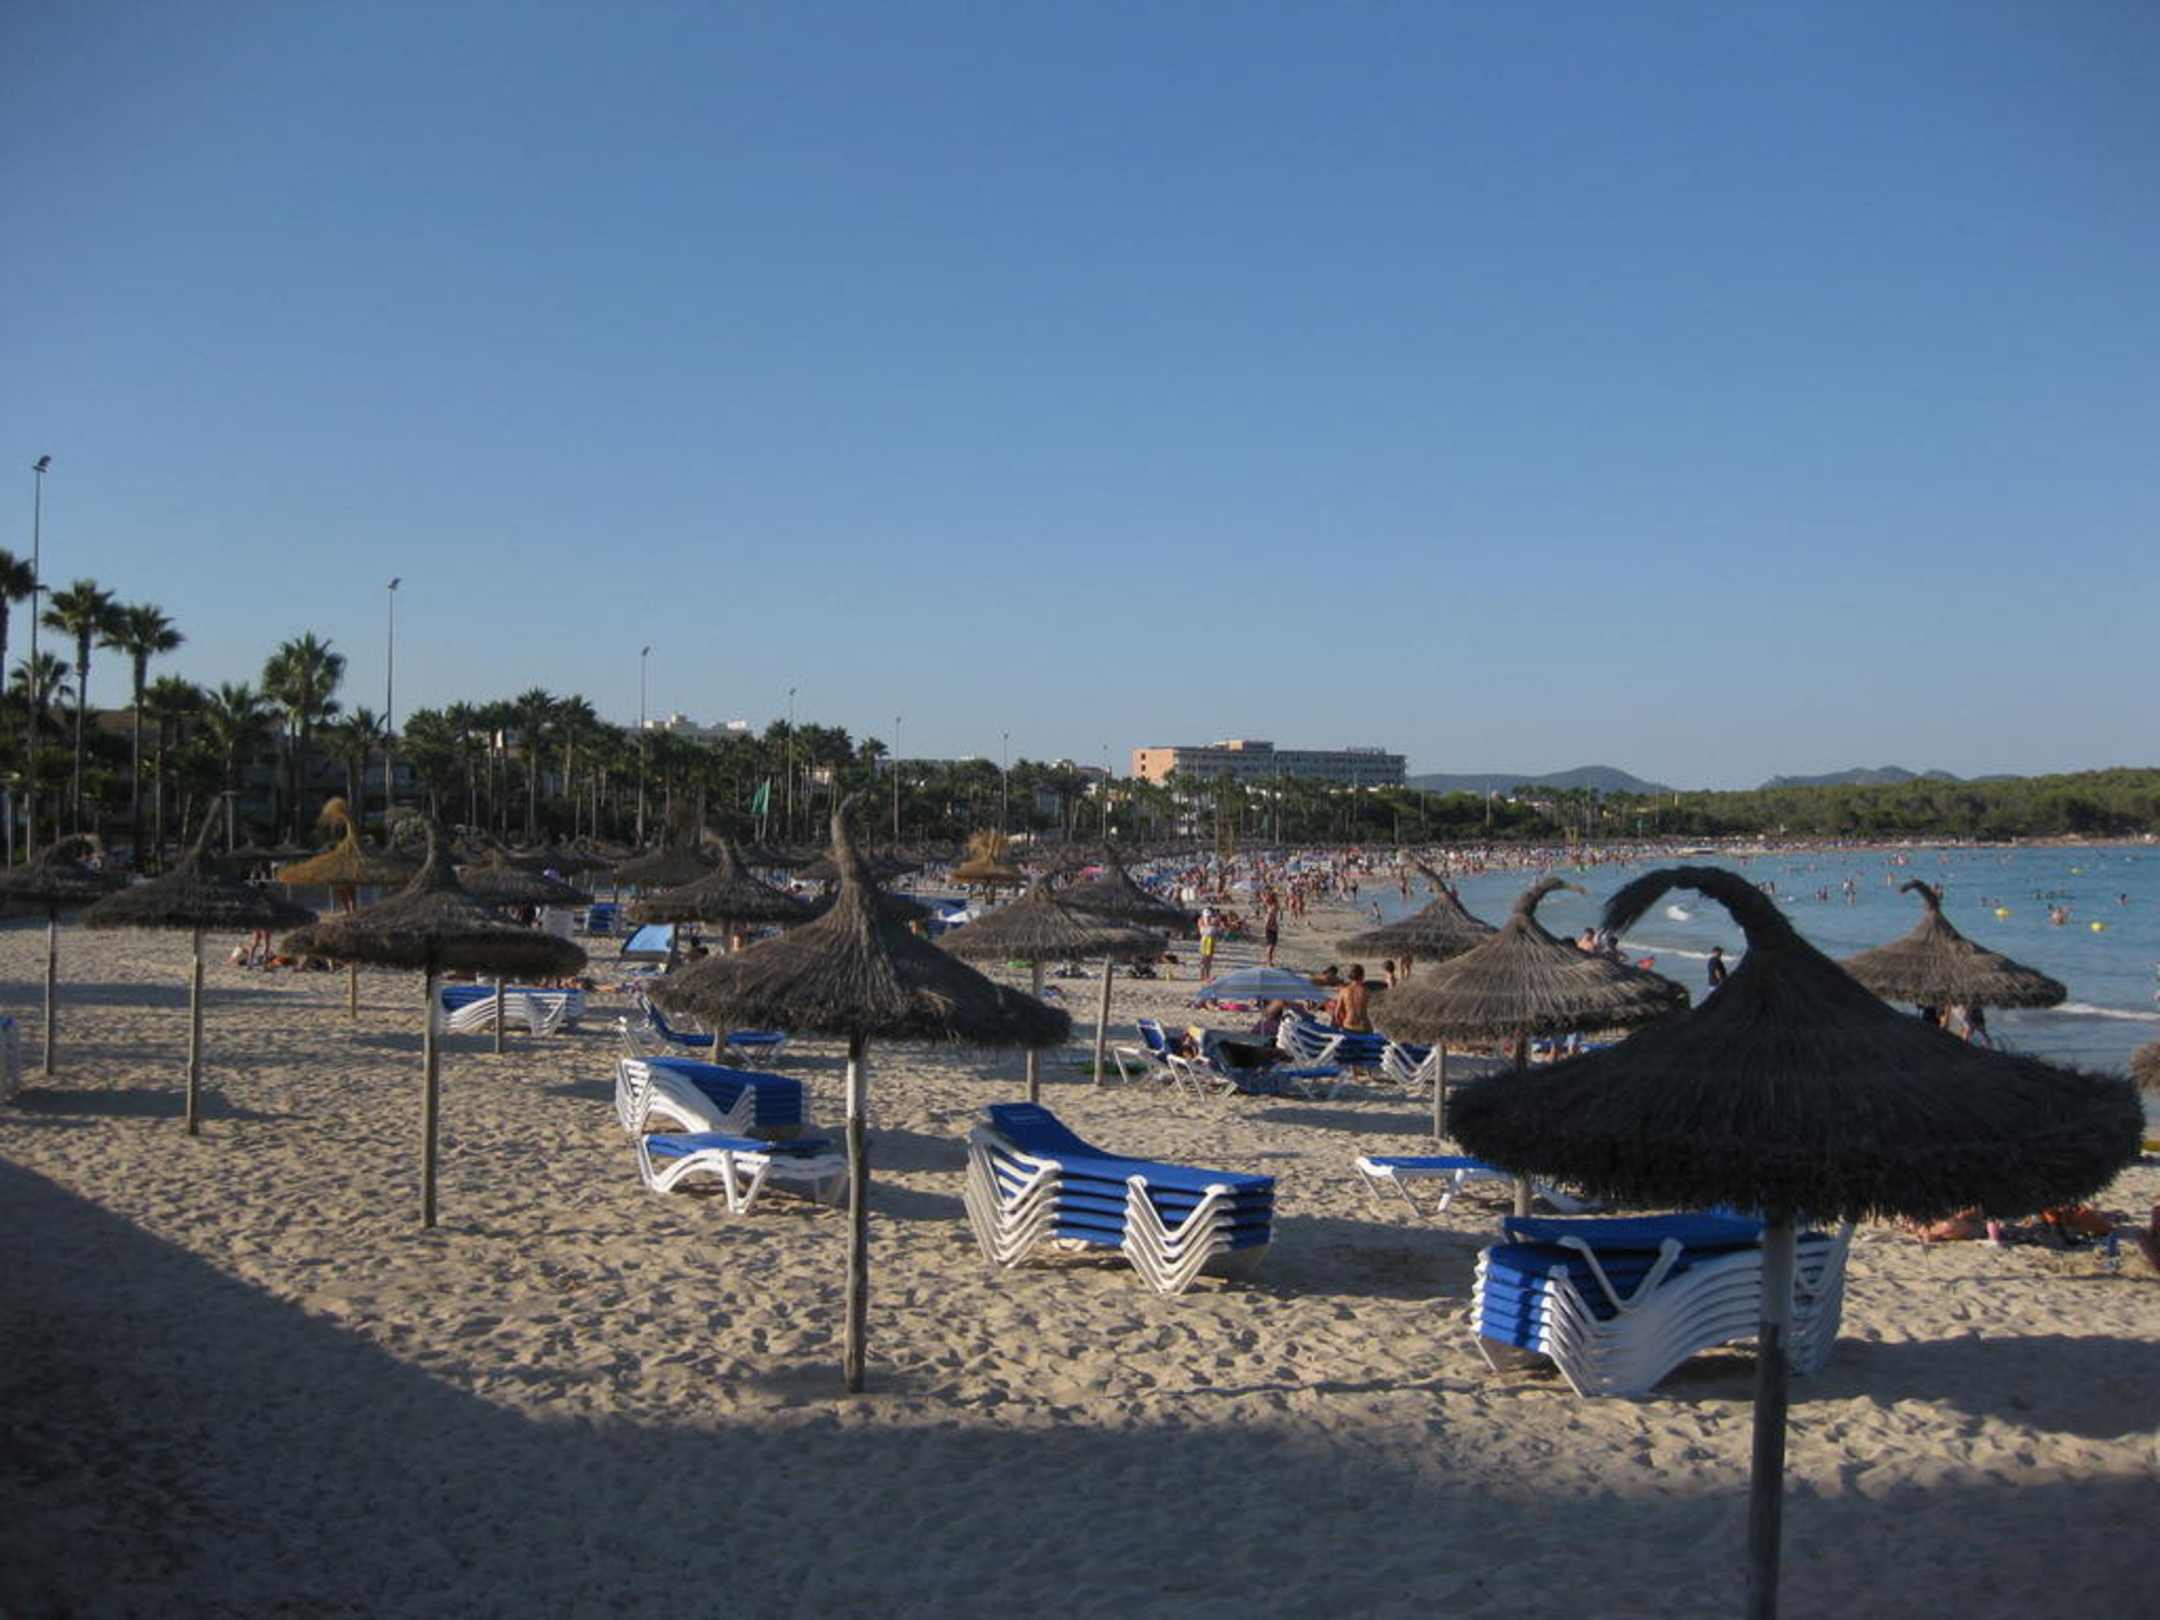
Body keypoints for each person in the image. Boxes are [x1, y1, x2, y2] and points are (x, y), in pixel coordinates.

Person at [1329, 964, 1372, 1033]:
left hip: (1349, 1026)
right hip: (1364, 1027)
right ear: (1362, 976)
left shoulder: (1343, 991)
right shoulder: (1367, 991)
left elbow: (1336, 1013)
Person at [1198, 907, 1220, 983]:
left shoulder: (1213, 920)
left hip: (1210, 939)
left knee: (1208, 959)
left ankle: (1206, 976)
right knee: (1204, 958)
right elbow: (1205, 925)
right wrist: (1212, 922)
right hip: (1206, 939)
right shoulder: (1202, 920)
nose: (1209, 918)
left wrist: (1214, 922)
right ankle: (1203, 976)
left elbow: (1216, 927)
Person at [1262, 891, 1280, 965]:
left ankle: (1268, 960)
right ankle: (1269, 961)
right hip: (1271, 927)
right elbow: (1270, 917)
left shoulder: (1272, 906)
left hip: (1270, 926)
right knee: (1271, 945)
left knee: (1270, 945)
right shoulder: (1272, 906)